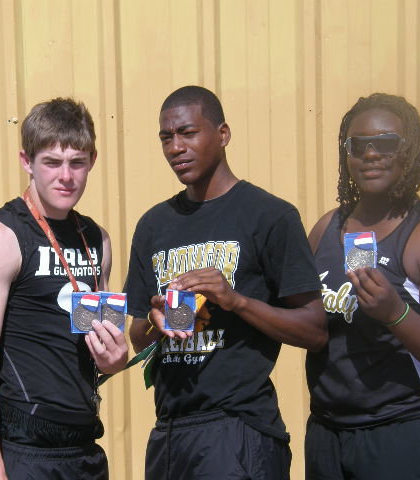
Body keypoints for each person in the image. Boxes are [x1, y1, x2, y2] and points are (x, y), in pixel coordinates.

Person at [125, 85, 327, 479]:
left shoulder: (269, 216)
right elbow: (137, 336)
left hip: (239, 429)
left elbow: (316, 330)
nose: (175, 148)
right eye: (166, 137)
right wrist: (155, 320)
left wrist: (236, 301)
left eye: (187, 133)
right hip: (169, 432)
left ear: (223, 134)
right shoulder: (153, 225)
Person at [0, 97, 128, 480]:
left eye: (77, 162)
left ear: (92, 161)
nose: (65, 176)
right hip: (19, 452)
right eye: (51, 162)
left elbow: (95, 354)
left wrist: (113, 362)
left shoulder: (95, 239)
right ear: (26, 161)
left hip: (82, 449)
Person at [305, 93, 420, 479]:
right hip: (330, 433)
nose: (371, 154)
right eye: (359, 145)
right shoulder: (326, 229)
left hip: (405, 430)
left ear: (410, 152)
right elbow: (305, 322)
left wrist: (397, 313)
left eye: (386, 143)